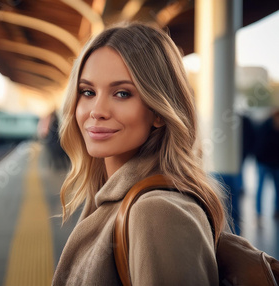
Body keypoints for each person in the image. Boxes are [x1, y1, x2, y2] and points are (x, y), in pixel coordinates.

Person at [52, 22, 230, 285]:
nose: (97, 110)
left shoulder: (158, 212)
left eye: (122, 93)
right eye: (87, 92)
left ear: (159, 111)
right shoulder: (111, 197)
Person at [254, 109, 279, 219]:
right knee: (260, 188)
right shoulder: (265, 127)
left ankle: (277, 210)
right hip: (263, 163)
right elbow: (259, 145)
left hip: (276, 164)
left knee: (277, 188)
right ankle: (259, 213)